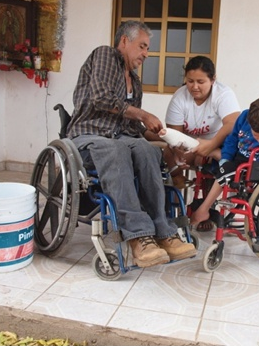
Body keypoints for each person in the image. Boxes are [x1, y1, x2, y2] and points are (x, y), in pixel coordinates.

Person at [66, 21, 196, 268]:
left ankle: (163, 231)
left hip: (119, 139)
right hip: (88, 136)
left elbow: (133, 129)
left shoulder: (134, 83)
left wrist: (166, 142)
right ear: (124, 41)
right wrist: (144, 115)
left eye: (148, 48)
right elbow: (101, 98)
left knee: (147, 150)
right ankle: (138, 238)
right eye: (143, 46)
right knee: (116, 149)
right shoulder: (106, 55)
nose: (146, 54)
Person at [190, 95, 259, 240]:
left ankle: (203, 209)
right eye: (256, 135)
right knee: (211, 160)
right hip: (240, 155)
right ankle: (217, 157)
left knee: (225, 173)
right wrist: (225, 158)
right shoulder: (244, 117)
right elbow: (232, 139)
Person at [163, 56, 241, 231]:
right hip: (189, 143)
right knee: (167, 154)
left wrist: (210, 146)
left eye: (201, 81)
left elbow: (232, 123)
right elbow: (174, 133)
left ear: (213, 80)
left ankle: (207, 207)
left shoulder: (223, 94)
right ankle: (178, 209)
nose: (194, 86)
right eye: (190, 81)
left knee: (214, 163)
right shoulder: (180, 97)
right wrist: (178, 152)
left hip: (218, 142)